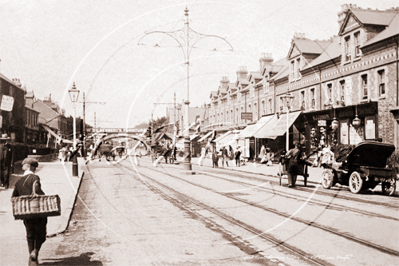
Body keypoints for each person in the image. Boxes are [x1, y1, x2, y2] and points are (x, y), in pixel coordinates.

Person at [12, 158, 47, 264]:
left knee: (30, 235)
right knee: (41, 235)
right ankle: (35, 252)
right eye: (35, 167)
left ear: (25, 167)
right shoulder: (35, 177)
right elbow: (37, 191)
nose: (35, 169)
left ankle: (32, 259)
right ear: (31, 167)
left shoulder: (18, 182)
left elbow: (14, 197)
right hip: (37, 211)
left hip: (26, 213)